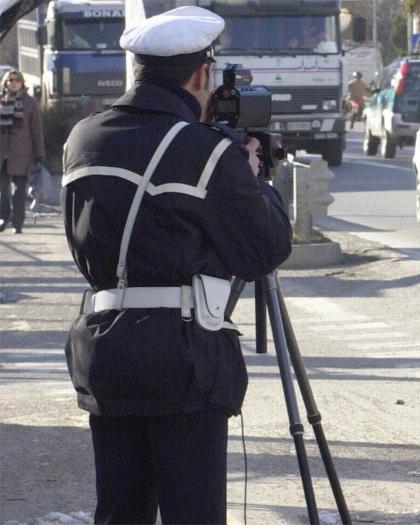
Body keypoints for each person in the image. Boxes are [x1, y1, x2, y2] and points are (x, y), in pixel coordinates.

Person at [61, 6, 292, 524]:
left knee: (120, 511)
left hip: (104, 348)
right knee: (193, 512)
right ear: (202, 74)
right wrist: (255, 178)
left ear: (137, 67)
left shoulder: (83, 137)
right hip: (182, 357)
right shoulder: (204, 151)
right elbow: (263, 249)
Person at [0, 69, 44, 234]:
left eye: (17, 80)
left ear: (22, 82)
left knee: (19, 191)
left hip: (22, 153)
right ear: (5, 82)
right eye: (10, 80)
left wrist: (39, 152)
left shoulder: (29, 103)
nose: (13, 83)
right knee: (2, 190)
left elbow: (36, 130)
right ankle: (3, 218)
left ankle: (17, 224)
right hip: (2, 154)